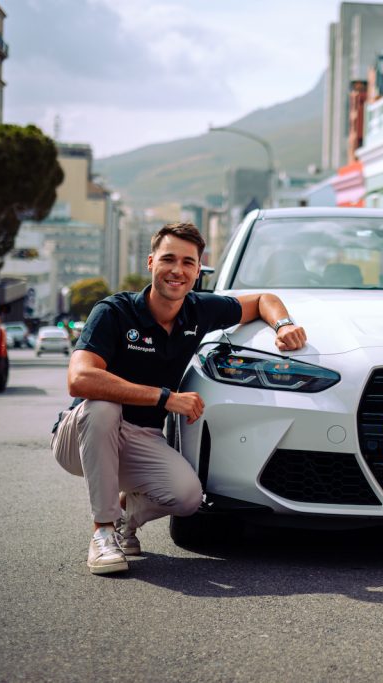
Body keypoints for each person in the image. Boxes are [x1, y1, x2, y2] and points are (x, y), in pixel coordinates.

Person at [50, 222, 308, 575]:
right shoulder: (114, 311)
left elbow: (264, 300)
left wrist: (284, 325)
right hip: (82, 434)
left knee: (187, 498)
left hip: (141, 438)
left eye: (188, 262)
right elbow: (79, 379)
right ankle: (103, 533)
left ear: (197, 270)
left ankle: (126, 518)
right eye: (168, 259)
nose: (177, 270)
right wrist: (165, 398)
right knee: (103, 406)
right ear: (151, 262)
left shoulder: (199, 310)